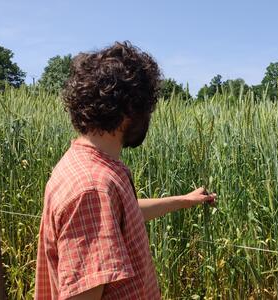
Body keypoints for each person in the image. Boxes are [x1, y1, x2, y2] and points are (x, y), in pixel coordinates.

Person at [34, 41, 216, 300]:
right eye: (148, 109)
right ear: (131, 110)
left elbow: (123, 215)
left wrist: (186, 200)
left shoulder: (87, 167)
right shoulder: (93, 188)